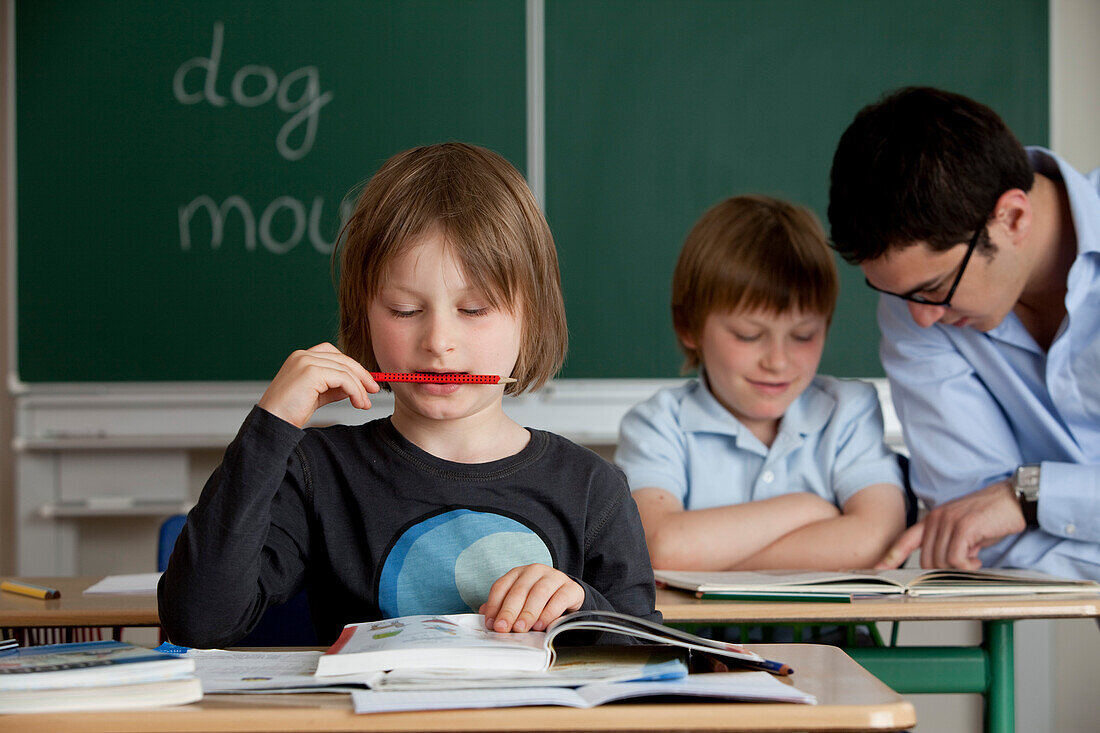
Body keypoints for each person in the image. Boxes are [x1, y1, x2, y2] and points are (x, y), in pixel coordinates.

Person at [159, 143, 659, 648]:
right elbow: (200, 621)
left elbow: (645, 656)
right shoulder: (318, 473)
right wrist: (272, 426)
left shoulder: (592, 487)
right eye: (403, 310)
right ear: (365, 319)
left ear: (532, 320)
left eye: (475, 309)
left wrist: (581, 607)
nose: (438, 342)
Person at [828, 86, 1100, 580]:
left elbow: (998, 519)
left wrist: (1032, 495)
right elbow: (972, 535)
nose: (921, 320)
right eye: (900, 294)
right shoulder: (914, 306)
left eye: (934, 288)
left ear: (1013, 217)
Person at [615, 195, 906, 571]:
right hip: (690, 633)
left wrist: (708, 559)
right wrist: (809, 508)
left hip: (835, 633)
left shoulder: (849, 410)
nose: (778, 361)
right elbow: (658, 549)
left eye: (803, 336)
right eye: (749, 335)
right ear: (689, 326)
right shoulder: (658, 424)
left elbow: (875, 540)